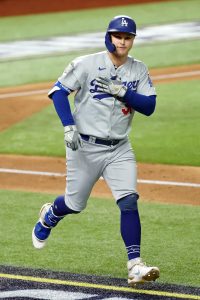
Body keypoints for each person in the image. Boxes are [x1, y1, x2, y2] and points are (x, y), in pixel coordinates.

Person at [32, 15, 160, 286]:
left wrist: (124, 93)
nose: (123, 42)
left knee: (128, 201)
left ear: (133, 40)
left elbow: (149, 106)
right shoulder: (86, 63)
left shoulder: (139, 69)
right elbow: (58, 92)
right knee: (74, 205)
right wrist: (69, 126)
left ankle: (135, 265)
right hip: (85, 148)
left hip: (120, 149)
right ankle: (50, 215)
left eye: (128, 37)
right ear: (109, 37)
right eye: (118, 36)